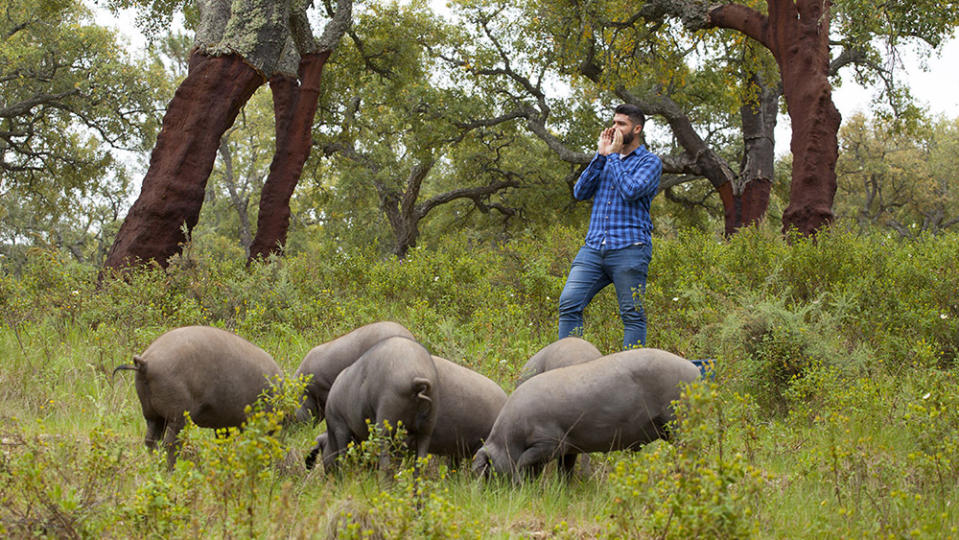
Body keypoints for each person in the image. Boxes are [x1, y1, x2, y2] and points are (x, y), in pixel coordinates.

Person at [557, 104, 662, 350]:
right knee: (569, 303)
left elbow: (631, 190)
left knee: (631, 313)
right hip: (593, 247)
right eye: (613, 122)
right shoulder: (606, 159)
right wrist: (601, 157)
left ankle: (631, 377)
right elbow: (580, 192)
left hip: (630, 248)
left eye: (621, 124)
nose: (614, 128)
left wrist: (613, 157)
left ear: (636, 129)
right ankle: (568, 365)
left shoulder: (650, 162)